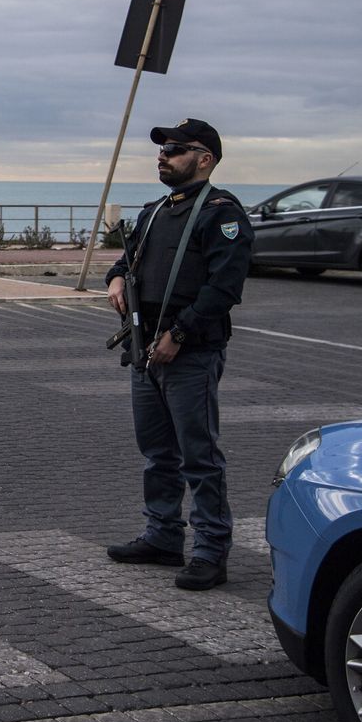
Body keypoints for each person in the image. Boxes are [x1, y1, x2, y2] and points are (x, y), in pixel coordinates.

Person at [103, 119, 254, 590]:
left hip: (189, 352)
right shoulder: (153, 211)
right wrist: (114, 277)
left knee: (199, 457)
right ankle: (164, 536)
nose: (163, 155)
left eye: (175, 148)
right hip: (144, 347)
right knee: (157, 453)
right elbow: (129, 260)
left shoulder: (222, 214)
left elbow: (222, 289)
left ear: (204, 158)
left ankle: (211, 551)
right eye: (162, 148)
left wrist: (180, 335)